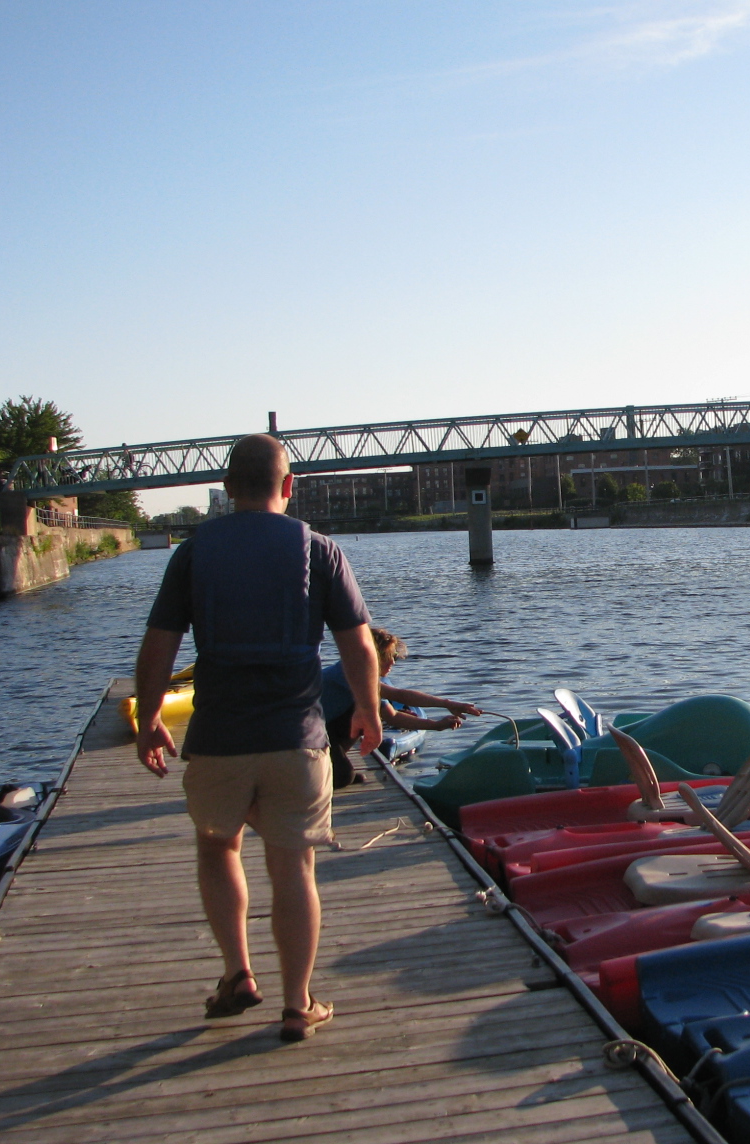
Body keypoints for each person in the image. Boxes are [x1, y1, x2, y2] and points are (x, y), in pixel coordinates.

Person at [133, 433, 382, 1043]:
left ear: (225, 487)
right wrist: (368, 709)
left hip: (218, 736)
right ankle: (298, 1005)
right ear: (288, 485)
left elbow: (159, 644)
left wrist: (149, 718)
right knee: (294, 865)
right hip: (297, 737)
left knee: (218, 845)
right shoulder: (319, 549)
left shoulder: (194, 553)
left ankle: (238, 974)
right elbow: (358, 643)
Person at [318, 629, 482, 787]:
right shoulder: (349, 672)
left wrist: (437, 725)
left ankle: (332, 765)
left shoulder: (363, 676)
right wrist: (448, 704)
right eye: (388, 656)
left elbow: (393, 716)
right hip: (311, 734)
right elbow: (399, 696)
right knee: (344, 776)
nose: (393, 662)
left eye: (394, 656)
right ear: (372, 656)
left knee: (368, 712)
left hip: (328, 732)